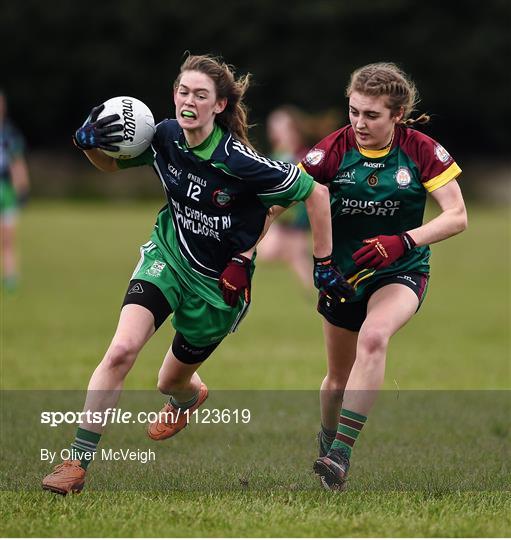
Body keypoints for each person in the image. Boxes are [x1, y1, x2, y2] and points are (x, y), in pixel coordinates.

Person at [42, 54, 353, 495]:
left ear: (220, 105)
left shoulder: (241, 161)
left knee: (169, 381)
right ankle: (76, 462)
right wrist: (88, 143)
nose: (189, 102)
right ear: (174, 96)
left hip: (216, 291)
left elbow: (315, 192)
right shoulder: (162, 137)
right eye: (183, 92)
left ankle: (187, 397)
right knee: (121, 351)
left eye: (201, 95)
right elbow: (111, 164)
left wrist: (321, 264)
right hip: (167, 257)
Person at [299, 62, 467, 490]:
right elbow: (284, 201)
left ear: (397, 114)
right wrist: (245, 254)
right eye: (353, 111)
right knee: (337, 379)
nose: (359, 123)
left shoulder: (421, 149)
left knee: (375, 338)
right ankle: (327, 439)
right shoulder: (331, 150)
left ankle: (340, 455)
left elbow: (457, 217)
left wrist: (404, 242)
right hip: (342, 276)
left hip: (401, 271)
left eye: (371, 115)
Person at [257, 106, 313, 288]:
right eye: (274, 127)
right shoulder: (274, 156)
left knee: (297, 258)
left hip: (297, 217)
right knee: (274, 252)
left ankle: (316, 293)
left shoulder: (303, 156)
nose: (276, 132)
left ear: (293, 130)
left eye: (281, 127)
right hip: (277, 217)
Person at [0, 90, 30, 291]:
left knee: (7, 239)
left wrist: (22, 187)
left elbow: (17, 163)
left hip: (5, 190)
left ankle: (10, 278)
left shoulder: (9, 134)